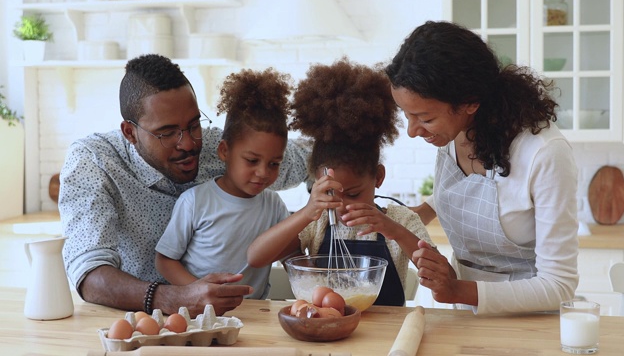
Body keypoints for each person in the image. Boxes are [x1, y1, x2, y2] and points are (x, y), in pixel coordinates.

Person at [59, 54, 309, 317]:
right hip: (138, 323)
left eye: (193, 125)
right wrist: (176, 298)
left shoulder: (224, 148)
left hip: (238, 319)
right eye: (167, 133)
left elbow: (312, 160)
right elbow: (90, 276)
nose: (188, 144)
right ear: (130, 133)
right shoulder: (94, 161)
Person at [385, 21, 579, 314]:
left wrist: (456, 290)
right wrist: (417, 213)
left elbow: (558, 286)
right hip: (463, 313)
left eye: (424, 118)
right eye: (406, 114)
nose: (412, 131)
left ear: (470, 104)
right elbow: (469, 190)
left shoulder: (544, 154)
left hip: (531, 321)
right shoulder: (452, 134)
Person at [247, 58, 435, 306]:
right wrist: (307, 212)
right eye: (331, 193)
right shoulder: (316, 223)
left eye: (354, 194)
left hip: (386, 333)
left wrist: (394, 230)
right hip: (327, 328)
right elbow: (256, 256)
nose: (343, 205)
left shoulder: (401, 221)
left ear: (378, 177)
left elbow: (439, 274)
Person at [155, 68, 293, 300]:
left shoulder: (274, 205)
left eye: (274, 163)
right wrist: (199, 291)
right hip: (201, 314)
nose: (263, 173)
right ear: (224, 151)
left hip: (255, 316)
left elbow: (291, 256)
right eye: (252, 160)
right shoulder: (195, 201)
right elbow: (165, 260)